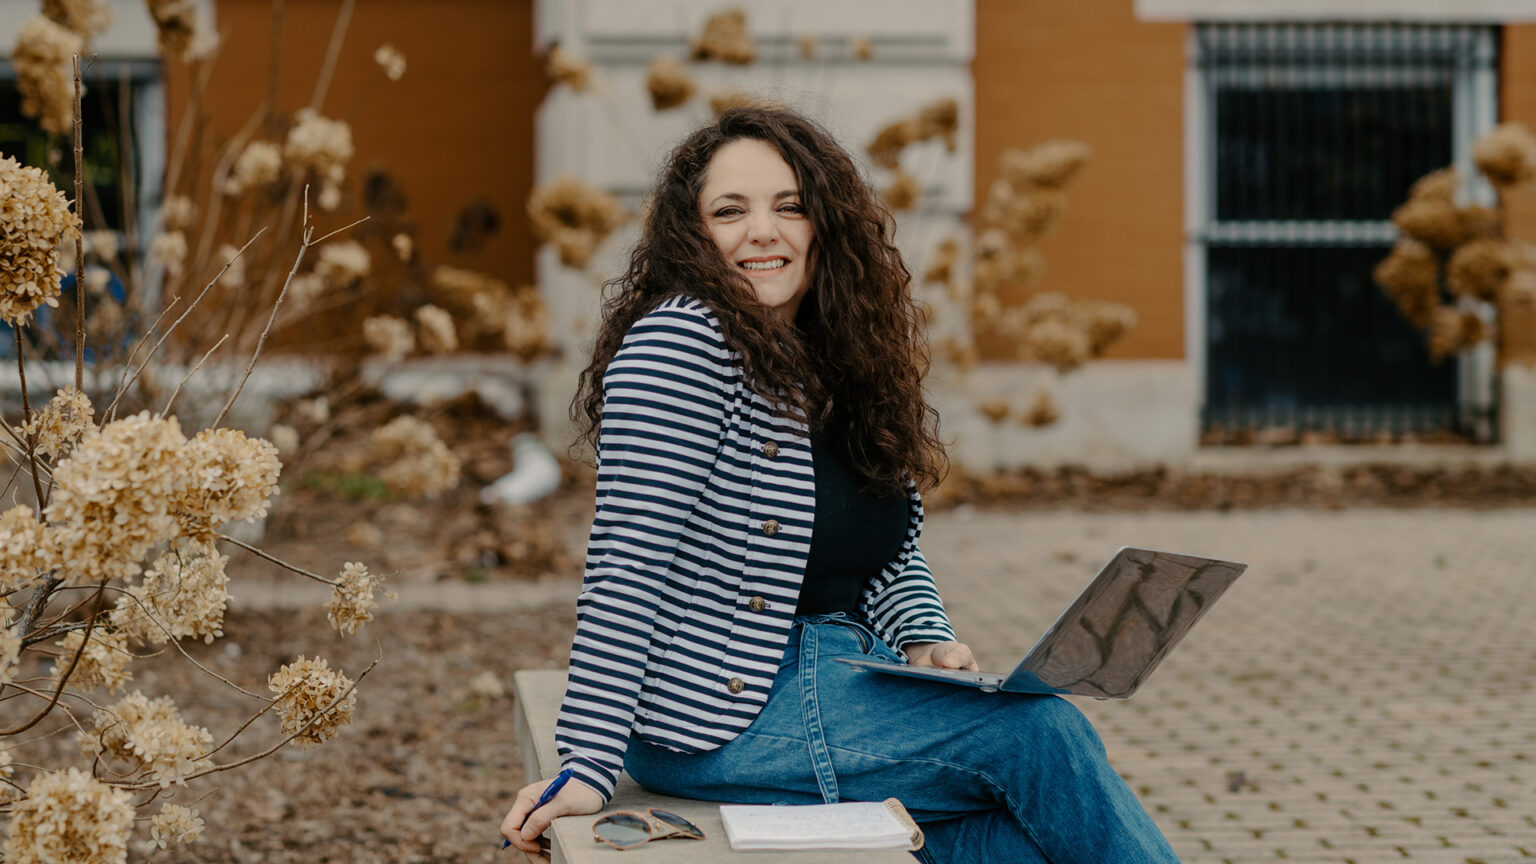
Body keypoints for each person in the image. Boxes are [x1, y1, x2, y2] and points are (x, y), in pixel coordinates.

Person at [499, 106, 1180, 863]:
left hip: (845, 674)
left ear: (826, 224)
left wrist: (926, 636)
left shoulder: (838, 357)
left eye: (790, 206)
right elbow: (627, 561)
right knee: (1037, 733)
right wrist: (587, 761)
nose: (764, 230)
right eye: (731, 211)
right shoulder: (681, 342)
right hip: (723, 712)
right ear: (692, 236)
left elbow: (889, 546)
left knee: (1017, 842)